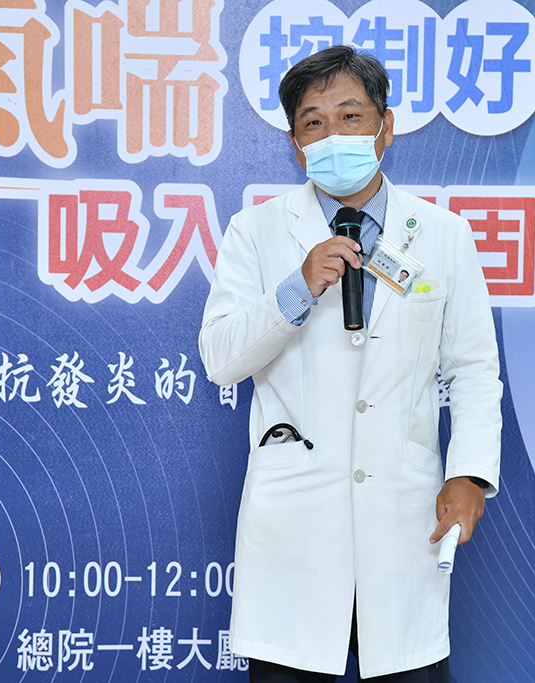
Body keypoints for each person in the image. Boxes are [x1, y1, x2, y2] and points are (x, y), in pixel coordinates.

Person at [199, 45, 502, 683]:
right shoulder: (256, 233)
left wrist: (470, 475)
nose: (334, 135)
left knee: (407, 664)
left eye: (351, 116)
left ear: (385, 127)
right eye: (314, 123)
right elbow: (221, 358)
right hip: (296, 524)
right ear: (295, 144)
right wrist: (296, 288)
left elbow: (474, 369)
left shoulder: (444, 235)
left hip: (404, 514)